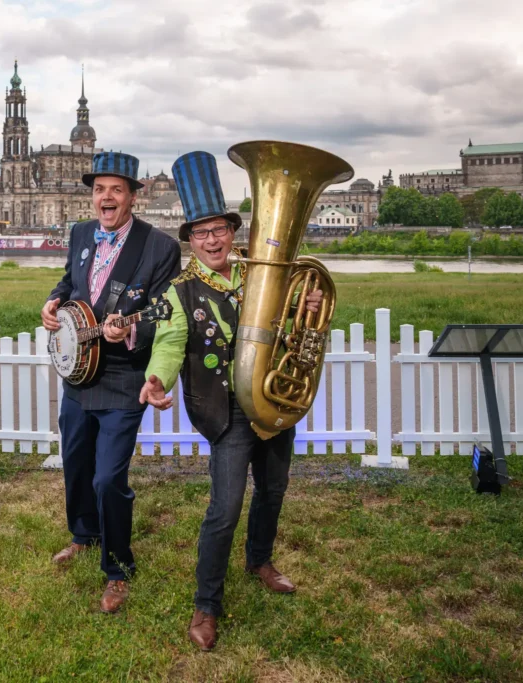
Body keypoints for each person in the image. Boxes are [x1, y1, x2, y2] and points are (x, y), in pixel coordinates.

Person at [138, 151, 323, 651]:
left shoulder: (264, 272)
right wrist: (158, 378)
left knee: (274, 490)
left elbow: (289, 325)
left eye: (219, 229)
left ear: (232, 233)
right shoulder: (180, 290)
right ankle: (206, 605)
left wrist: (306, 304)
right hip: (228, 411)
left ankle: (260, 559)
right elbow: (171, 341)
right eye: (201, 233)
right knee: (224, 509)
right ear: (191, 242)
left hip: (272, 398)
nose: (213, 239)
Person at [41, 152, 181, 613]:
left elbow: (165, 314)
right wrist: (53, 301)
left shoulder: (160, 247)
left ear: (132, 196)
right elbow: (69, 283)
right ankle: (84, 534)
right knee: (76, 462)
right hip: (79, 371)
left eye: (116, 190)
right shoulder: (81, 233)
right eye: (99, 189)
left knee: (108, 478)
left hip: (123, 376)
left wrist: (132, 330)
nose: (106, 197)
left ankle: (118, 566)